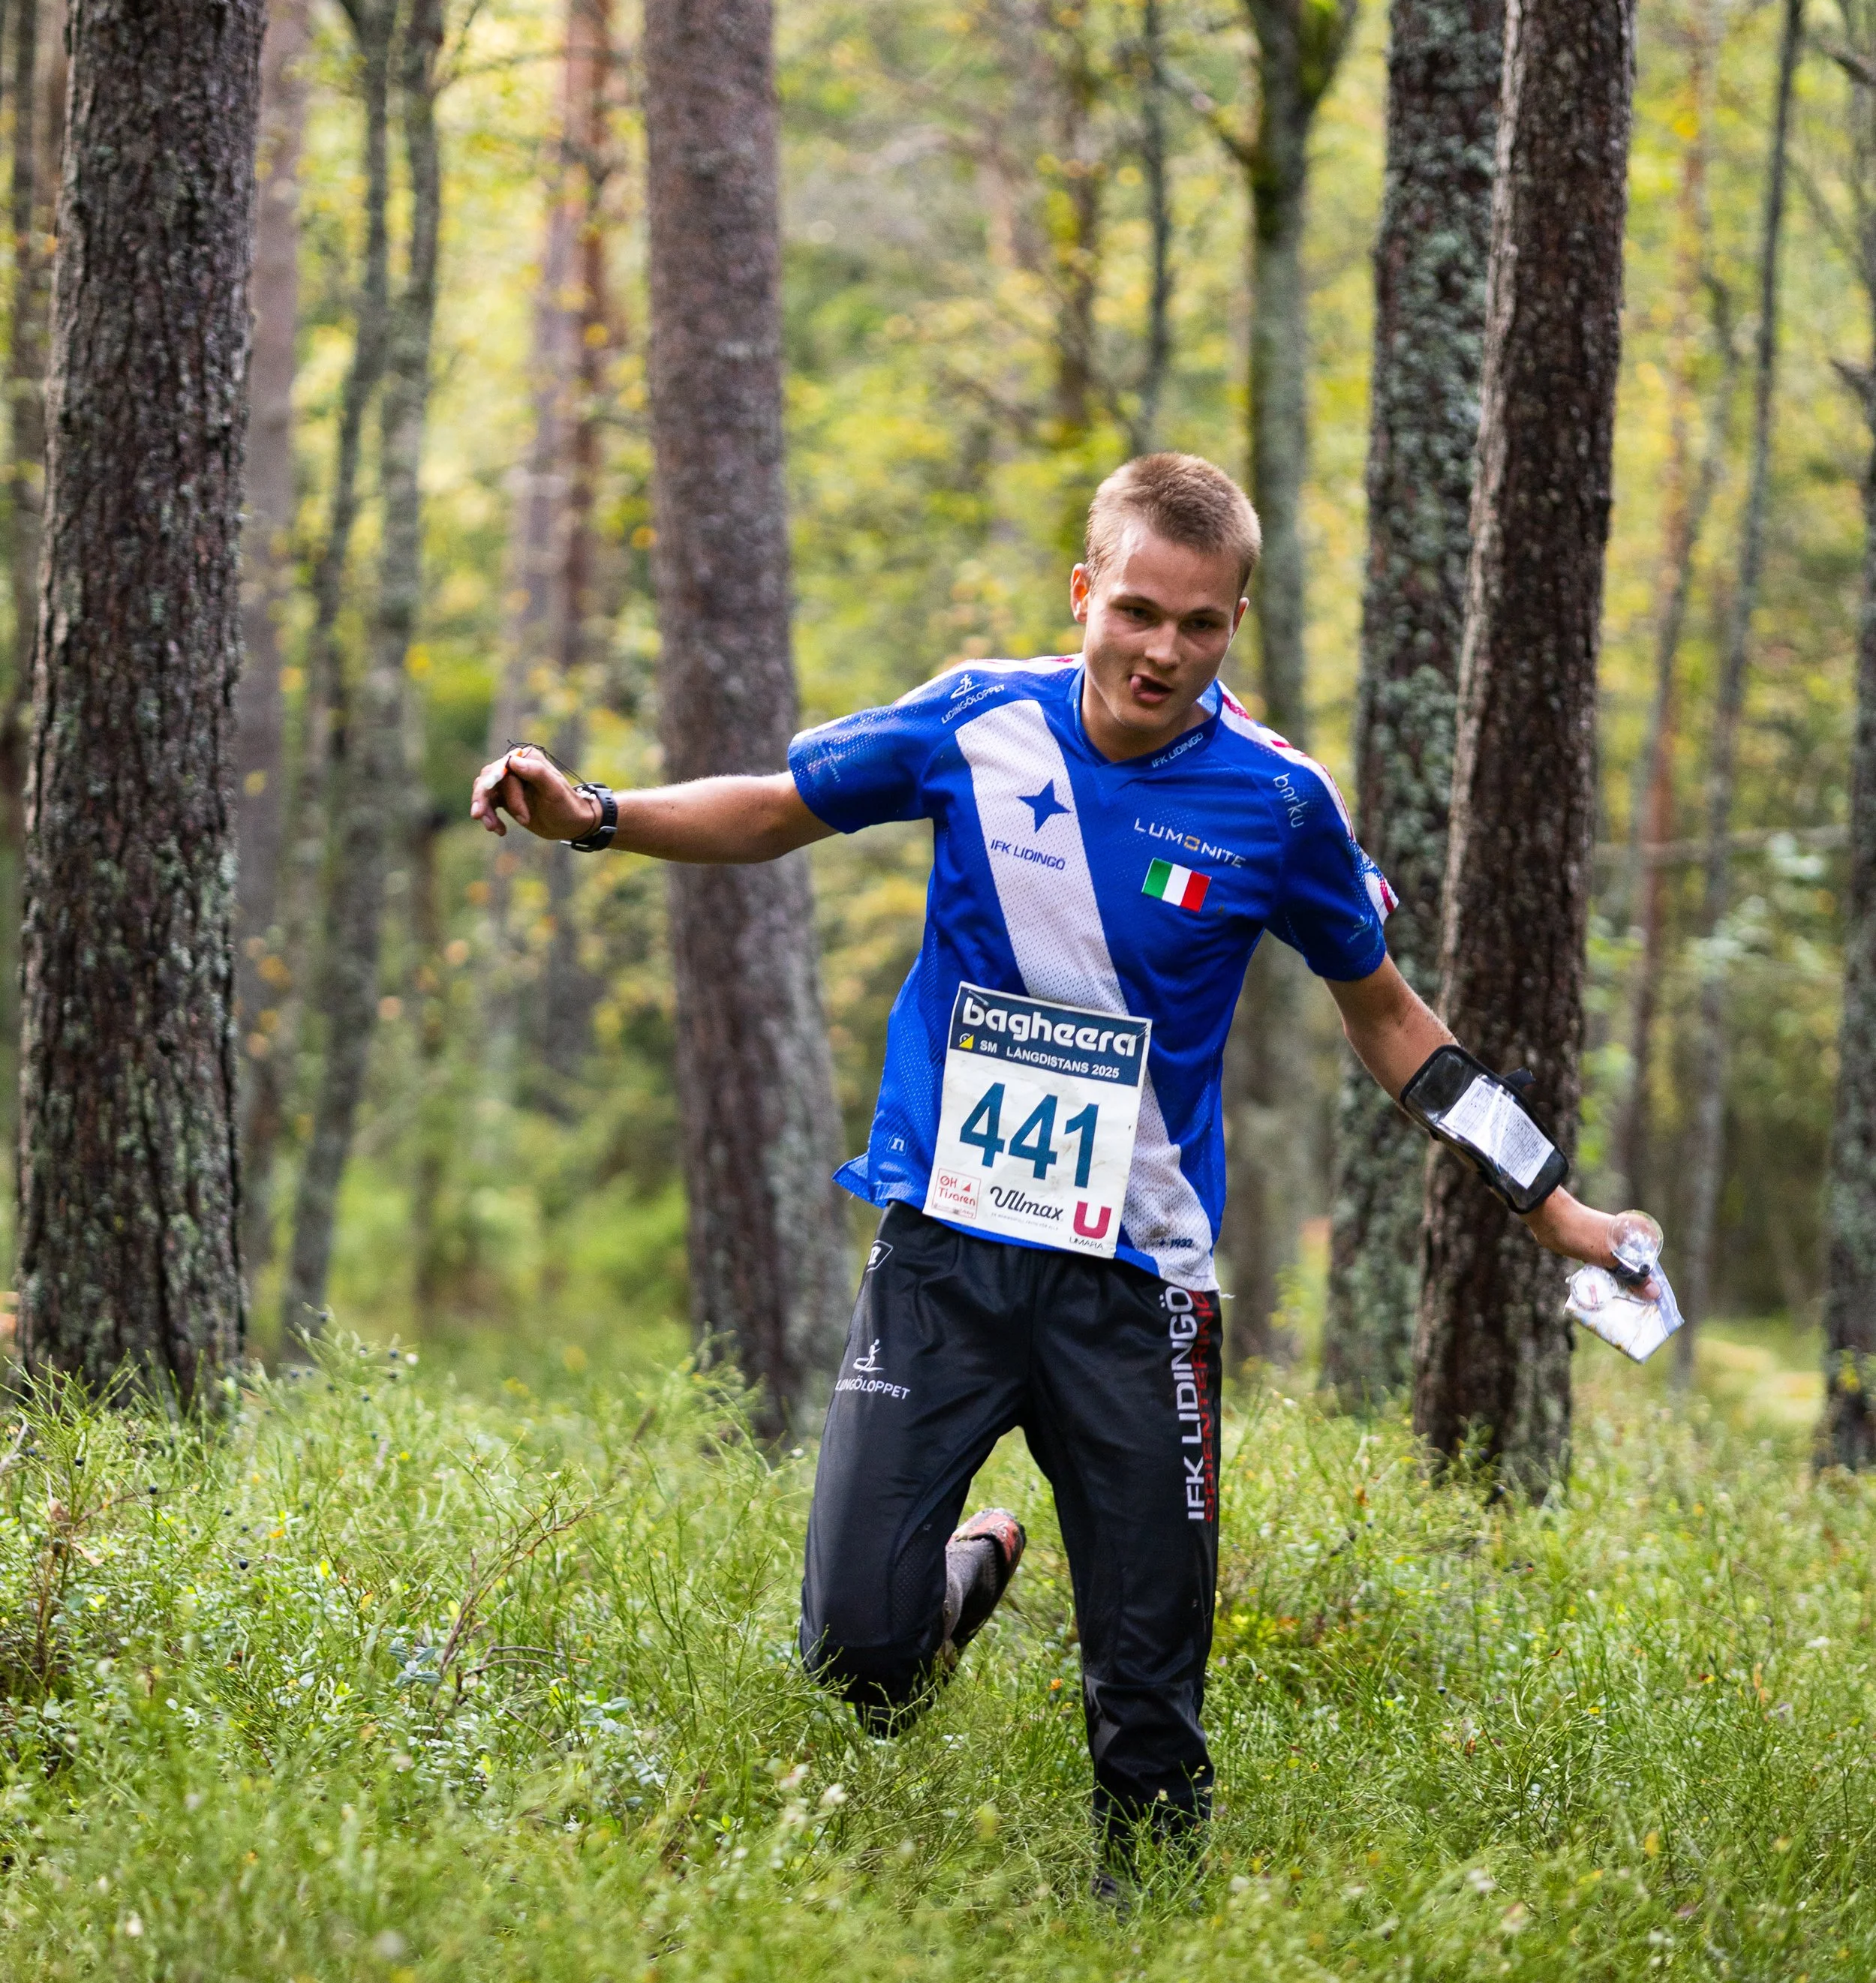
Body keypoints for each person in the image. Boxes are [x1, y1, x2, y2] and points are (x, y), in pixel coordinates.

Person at [471, 452, 1653, 1870]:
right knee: (858, 1661)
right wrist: (592, 813)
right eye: (1140, 610)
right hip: (946, 1257)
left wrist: (1551, 1201)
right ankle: (974, 1571)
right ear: (1085, 593)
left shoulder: (1279, 806)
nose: (1164, 650)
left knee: (1149, 1709)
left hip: (1136, 1288)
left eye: (1202, 624)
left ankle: (1147, 1965)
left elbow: (1392, 1019)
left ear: (1234, 629)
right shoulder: (978, 718)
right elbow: (777, 806)